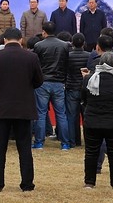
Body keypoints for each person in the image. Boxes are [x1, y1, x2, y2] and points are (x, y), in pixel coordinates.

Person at [0, 28, 43, 192]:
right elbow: (39, 81)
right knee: (24, 148)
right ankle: (27, 184)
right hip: (24, 107)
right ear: (21, 39)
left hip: (2, 107)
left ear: (4, 40)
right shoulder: (31, 57)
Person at [81, 51, 113, 189]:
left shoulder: (89, 79)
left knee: (91, 152)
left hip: (92, 120)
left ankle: (89, 182)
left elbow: (83, 99)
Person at [32, 22, 72, 150]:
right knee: (61, 114)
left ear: (44, 31)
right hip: (59, 82)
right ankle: (65, 143)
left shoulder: (39, 45)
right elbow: (66, 64)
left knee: (41, 113)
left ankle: (39, 142)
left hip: (43, 82)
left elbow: (35, 65)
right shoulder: (64, 45)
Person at [66, 33, 91, 147]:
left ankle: (73, 141)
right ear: (84, 43)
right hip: (85, 89)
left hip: (71, 88)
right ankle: (88, 140)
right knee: (86, 116)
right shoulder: (89, 56)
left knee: (72, 116)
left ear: (72, 43)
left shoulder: (68, 56)